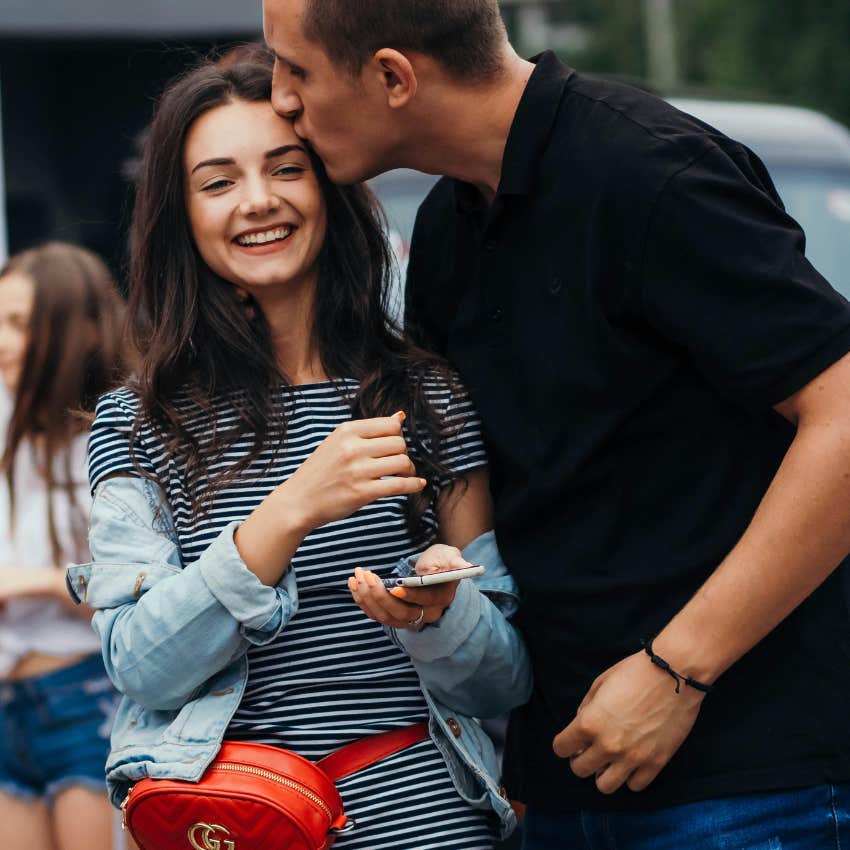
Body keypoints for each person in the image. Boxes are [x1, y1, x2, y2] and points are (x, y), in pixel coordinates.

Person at [262, 1, 850, 848]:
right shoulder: (444, 227)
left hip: (751, 786)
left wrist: (677, 670)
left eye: (296, 70)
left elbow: (839, 411)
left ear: (394, 76)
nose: (282, 98)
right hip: (561, 785)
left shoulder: (650, 173)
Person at [66, 51, 530, 850]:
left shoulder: (428, 396)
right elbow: (139, 664)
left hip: (428, 823)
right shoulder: (136, 421)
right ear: (181, 215)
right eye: (217, 182)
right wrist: (288, 511)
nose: (257, 201)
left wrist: (443, 615)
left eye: (286, 169)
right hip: (232, 824)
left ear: (329, 188)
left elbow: (503, 681)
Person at [0, 242, 128, 850]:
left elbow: (135, 603)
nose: (2, 339)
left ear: (76, 331)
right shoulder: (7, 433)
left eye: (20, 323)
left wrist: (30, 583)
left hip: (85, 700)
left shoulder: (112, 442)